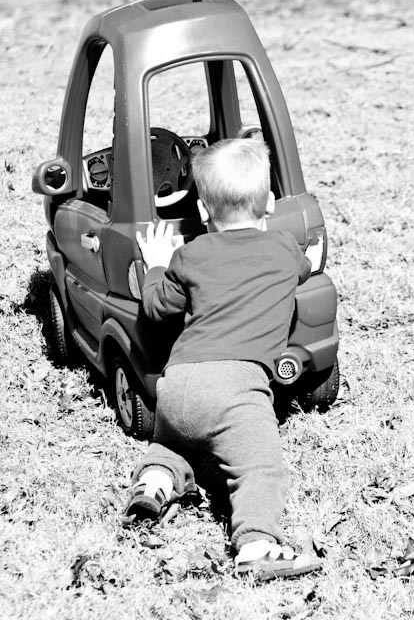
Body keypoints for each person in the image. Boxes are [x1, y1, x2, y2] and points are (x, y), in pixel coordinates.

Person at [126, 137, 319, 579]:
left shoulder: (189, 255)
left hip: (177, 383)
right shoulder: (283, 248)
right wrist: (304, 256)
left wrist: (156, 264)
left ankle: (155, 481)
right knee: (259, 467)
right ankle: (255, 545)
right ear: (268, 203)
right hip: (236, 388)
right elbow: (303, 269)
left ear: (201, 211)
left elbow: (156, 307)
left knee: (174, 443)